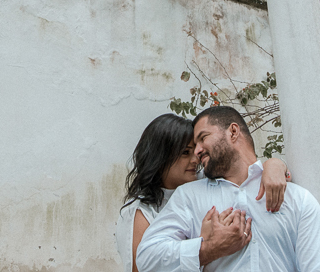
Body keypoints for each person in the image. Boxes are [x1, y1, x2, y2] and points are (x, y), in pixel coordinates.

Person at [135, 106, 320, 272]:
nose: (197, 152)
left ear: (233, 131)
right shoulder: (189, 196)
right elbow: (147, 258)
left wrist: (275, 163)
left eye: (203, 138)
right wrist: (210, 249)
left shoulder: (297, 199)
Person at [115, 113, 291, 272]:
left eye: (196, 150)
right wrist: (203, 242)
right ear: (160, 157)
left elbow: (245, 174)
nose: (196, 159)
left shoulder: (204, 184)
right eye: (185, 153)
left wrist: (274, 164)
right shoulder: (142, 212)